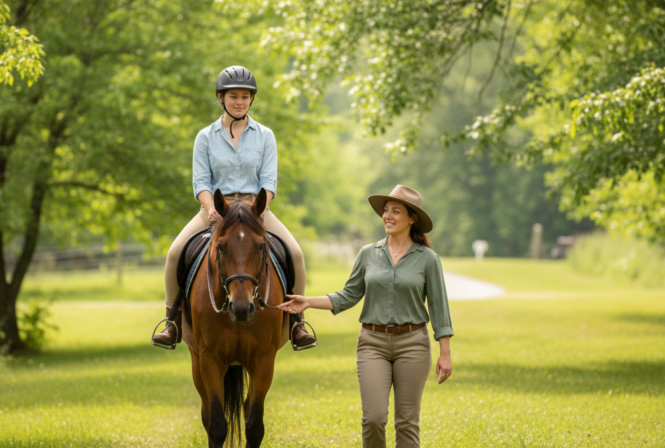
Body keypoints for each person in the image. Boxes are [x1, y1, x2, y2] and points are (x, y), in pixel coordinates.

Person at [151, 65, 316, 350]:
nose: (239, 101)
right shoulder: (205, 136)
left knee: (296, 255)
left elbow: (269, 180)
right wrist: (210, 207)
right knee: (174, 253)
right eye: (233, 96)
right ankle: (172, 320)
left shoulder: (265, 135)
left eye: (245, 96)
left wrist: (261, 206)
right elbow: (201, 181)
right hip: (216, 208)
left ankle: (297, 322)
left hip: (255, 209)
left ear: (251, 99)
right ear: (220, 97)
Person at [279, 184, 453, 448]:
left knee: (407, 422)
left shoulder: (428, 259)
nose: (388, 216)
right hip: (372, 344)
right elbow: (348, 295)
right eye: (386, 211)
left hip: (413, 345)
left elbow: (439, 307)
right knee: (373, 418)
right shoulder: (368, 253)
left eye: (396, 211)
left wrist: (445, 352)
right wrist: (308, 302)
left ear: (412, 218)